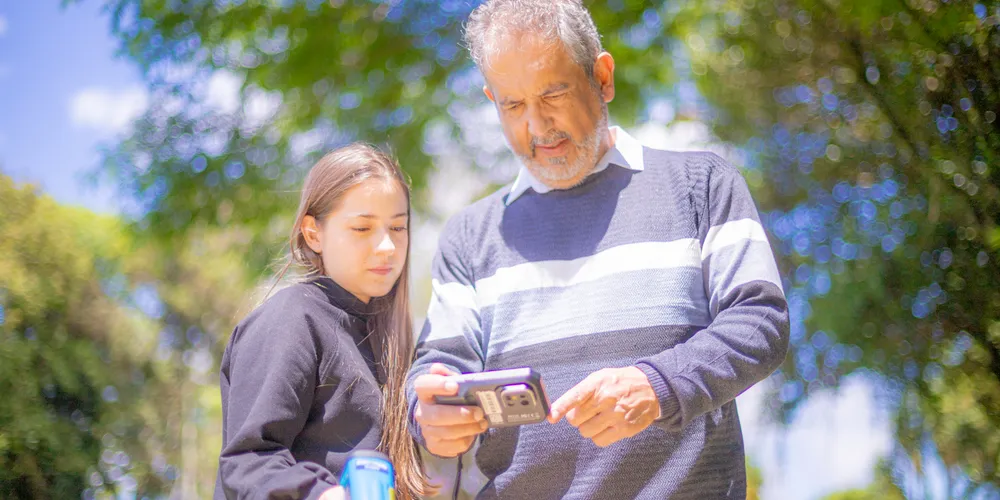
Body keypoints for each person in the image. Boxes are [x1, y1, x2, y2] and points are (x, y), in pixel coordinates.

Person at [406, 1, 790, 498]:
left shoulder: (702, 185)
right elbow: (439, 366)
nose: (539, 126)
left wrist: (658, 384)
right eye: (513, 105)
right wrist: (429, 413)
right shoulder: (470, 234)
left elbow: (760, 321)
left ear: (602, 77)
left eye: (554, 92)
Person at [215, 144, 433, 500]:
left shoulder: (397, 339)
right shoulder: (290, 318)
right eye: (362, 228)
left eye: (398, 227)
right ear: (313, 233)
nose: (387, 247)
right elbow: (248, 460)